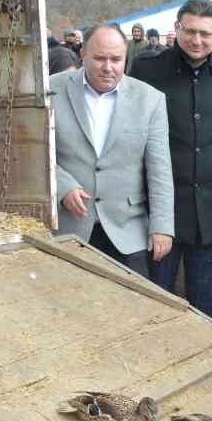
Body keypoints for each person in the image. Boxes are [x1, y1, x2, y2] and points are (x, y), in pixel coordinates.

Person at [131, 0, 212, 315]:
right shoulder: (147, 69)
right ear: (176, 29)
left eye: (205, 33)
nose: (197, 40)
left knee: (202, 306)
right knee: (154, 300)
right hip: (161, 210)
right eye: (190, 31)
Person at [51, 24, 173, 277]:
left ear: (126, 57)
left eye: (116, 59)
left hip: (127, 231)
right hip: (68, 229)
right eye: (99, 59)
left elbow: (160, 169)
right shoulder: (51, 90)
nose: (108, 67)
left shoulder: (150, 100)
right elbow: (36, 151)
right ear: (83, 53)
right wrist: (62, 185)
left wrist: (162, 226)